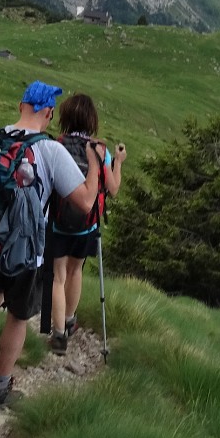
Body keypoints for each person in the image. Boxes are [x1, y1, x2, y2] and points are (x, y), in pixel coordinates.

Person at [0, 80, 101, 410]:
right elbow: (86, 202)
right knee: (18, 315)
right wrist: (96, 164)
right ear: (47, 113)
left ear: (21, 106)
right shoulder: (49, 149)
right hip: (26, 251)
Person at [46, 93, 125, 354]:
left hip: (57, 222)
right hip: (87, 224)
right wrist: (119, 163)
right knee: (75, 270)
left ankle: (58, 335)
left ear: (66, 117)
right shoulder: (100, 150)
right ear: (92, 120)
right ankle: (69, 320)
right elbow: (112, 189)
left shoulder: (57, 144)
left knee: (58, 276)